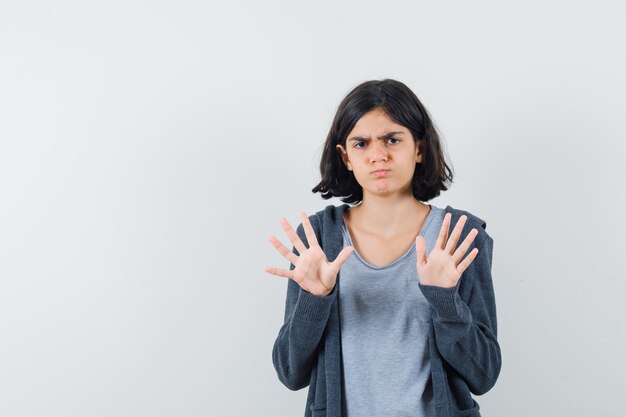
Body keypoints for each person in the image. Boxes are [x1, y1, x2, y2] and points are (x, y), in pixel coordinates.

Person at [264, 79, 501, 417]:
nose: (378, 155)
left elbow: (484, 374)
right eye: (361, 144)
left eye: (393, 139)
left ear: (419, 148)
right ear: (345, 157)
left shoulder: (459, 236)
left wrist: (445, 300)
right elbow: (290, 372)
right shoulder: (318, 239)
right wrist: (314, 300)